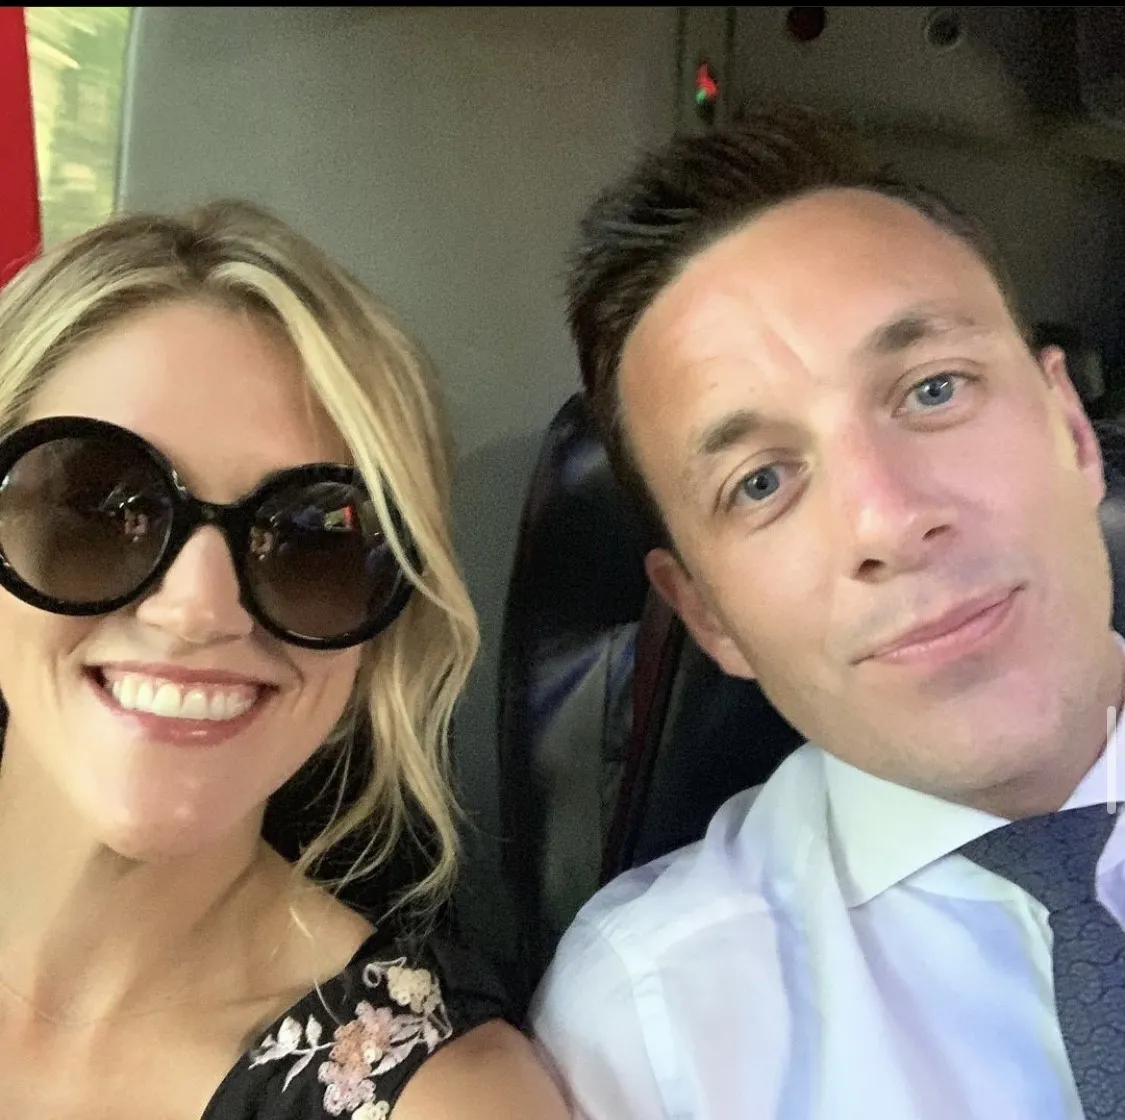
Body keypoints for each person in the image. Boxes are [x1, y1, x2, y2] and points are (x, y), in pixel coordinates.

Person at [530, 107, 1125, 1118]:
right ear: (709, 617)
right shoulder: (648, 1030)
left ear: (1071, 430)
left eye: (933, 390)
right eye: (760, 483)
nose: (887, 519)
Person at [0, 200, 569, 1119]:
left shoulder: (444, 1102)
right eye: (100, 508)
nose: (198, 609)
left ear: (380, 633)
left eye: (313, 538)